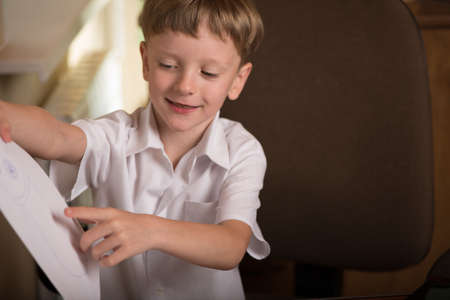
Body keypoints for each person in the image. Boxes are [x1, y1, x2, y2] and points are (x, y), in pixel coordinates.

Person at [0, 0, 270, 299]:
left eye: (208, 73)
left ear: (237, 80)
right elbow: (56, 136)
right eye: (168, 65)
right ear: (145, 61)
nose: (185, 86)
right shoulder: (115, 136)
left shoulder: (243, 151)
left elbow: (231, 246)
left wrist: (151, 230)